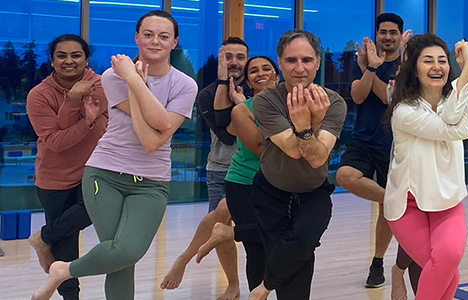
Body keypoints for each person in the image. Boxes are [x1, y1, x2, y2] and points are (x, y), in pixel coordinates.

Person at [32, 10, 199, 300]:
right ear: (137, 38)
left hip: (152, 181)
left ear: (175, 43)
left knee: (127, 252)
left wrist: (134, 81)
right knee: (120, 262)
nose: (155, 41)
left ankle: (64, 270)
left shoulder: (184, 85)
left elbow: (153, 137)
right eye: (148, 34)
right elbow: (154, 127)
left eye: (164, 36)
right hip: (105, 174)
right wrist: (131, 79)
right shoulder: (112, 76)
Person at [247, 29, 347, 300]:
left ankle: (263, 288)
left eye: (306, 60)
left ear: (317, 62)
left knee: (303, 242)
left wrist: (306, 126)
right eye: (292, 60)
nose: (299, 67)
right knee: (296, 262)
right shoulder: (266, 100)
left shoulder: (335, 102)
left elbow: (315, 158)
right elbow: (293, 151)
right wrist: (309, 124)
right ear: (281, 63)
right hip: (271, 190)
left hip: (313, 190)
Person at [383, 34, 468, 300]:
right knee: (447, 269)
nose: (437, 66)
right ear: (414, 68)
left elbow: (452, 116)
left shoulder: (455, 97)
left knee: (448, 261)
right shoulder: (404, 111)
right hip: (408, 204)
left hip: (447, 199)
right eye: (428, 61)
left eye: (442, 60)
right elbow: (457, 128)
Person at [336, 12, 421, 293]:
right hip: (363, 141)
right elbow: (358, 96)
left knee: (386, 212)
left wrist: (369, 69)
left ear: (400, 35)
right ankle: (392, 198)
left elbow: (390, 99)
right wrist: (370, 69)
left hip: (395, 145)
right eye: (382, 32)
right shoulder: (367, 64)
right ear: (377, 35)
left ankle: (377, 262)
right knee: (345, 176)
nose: (387, 37)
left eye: (392, 32)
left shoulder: (408, 67)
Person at [160, 37, 250, 300]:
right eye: (228, 57)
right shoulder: (207, 94)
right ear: (220, 60)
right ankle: (233, 285)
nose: (234, 62)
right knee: (220, 224)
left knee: (223, 218)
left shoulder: (257, 89)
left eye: (240, 57)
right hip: (221, 167)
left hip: (255, 168)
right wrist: (225, 86)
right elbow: (227, 136)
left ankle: (184, 258)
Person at [189, 55, 281, 294]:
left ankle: (227, 233)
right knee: (256, 249)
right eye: (254, 71)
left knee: (280, 242)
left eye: (266, 68)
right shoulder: (242, 110)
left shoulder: (291, 105)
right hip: (243, 182)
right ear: (249, 82)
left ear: (277, 76)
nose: (260, 73)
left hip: (280, 183)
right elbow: (264, 148)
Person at [26, 33, 108, 300]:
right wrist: (78, 109)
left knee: (92, 213)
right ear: (52, 61)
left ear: (86, 59)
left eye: (76, 55)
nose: (69, 60)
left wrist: (86, 117)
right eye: (61, 55)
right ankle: (71, 297)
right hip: (54, 176)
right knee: (66, 245)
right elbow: (57, 141)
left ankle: (42, 238)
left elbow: (106, 127)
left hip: (93, 171)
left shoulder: (101, 85)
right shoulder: (39, 95)